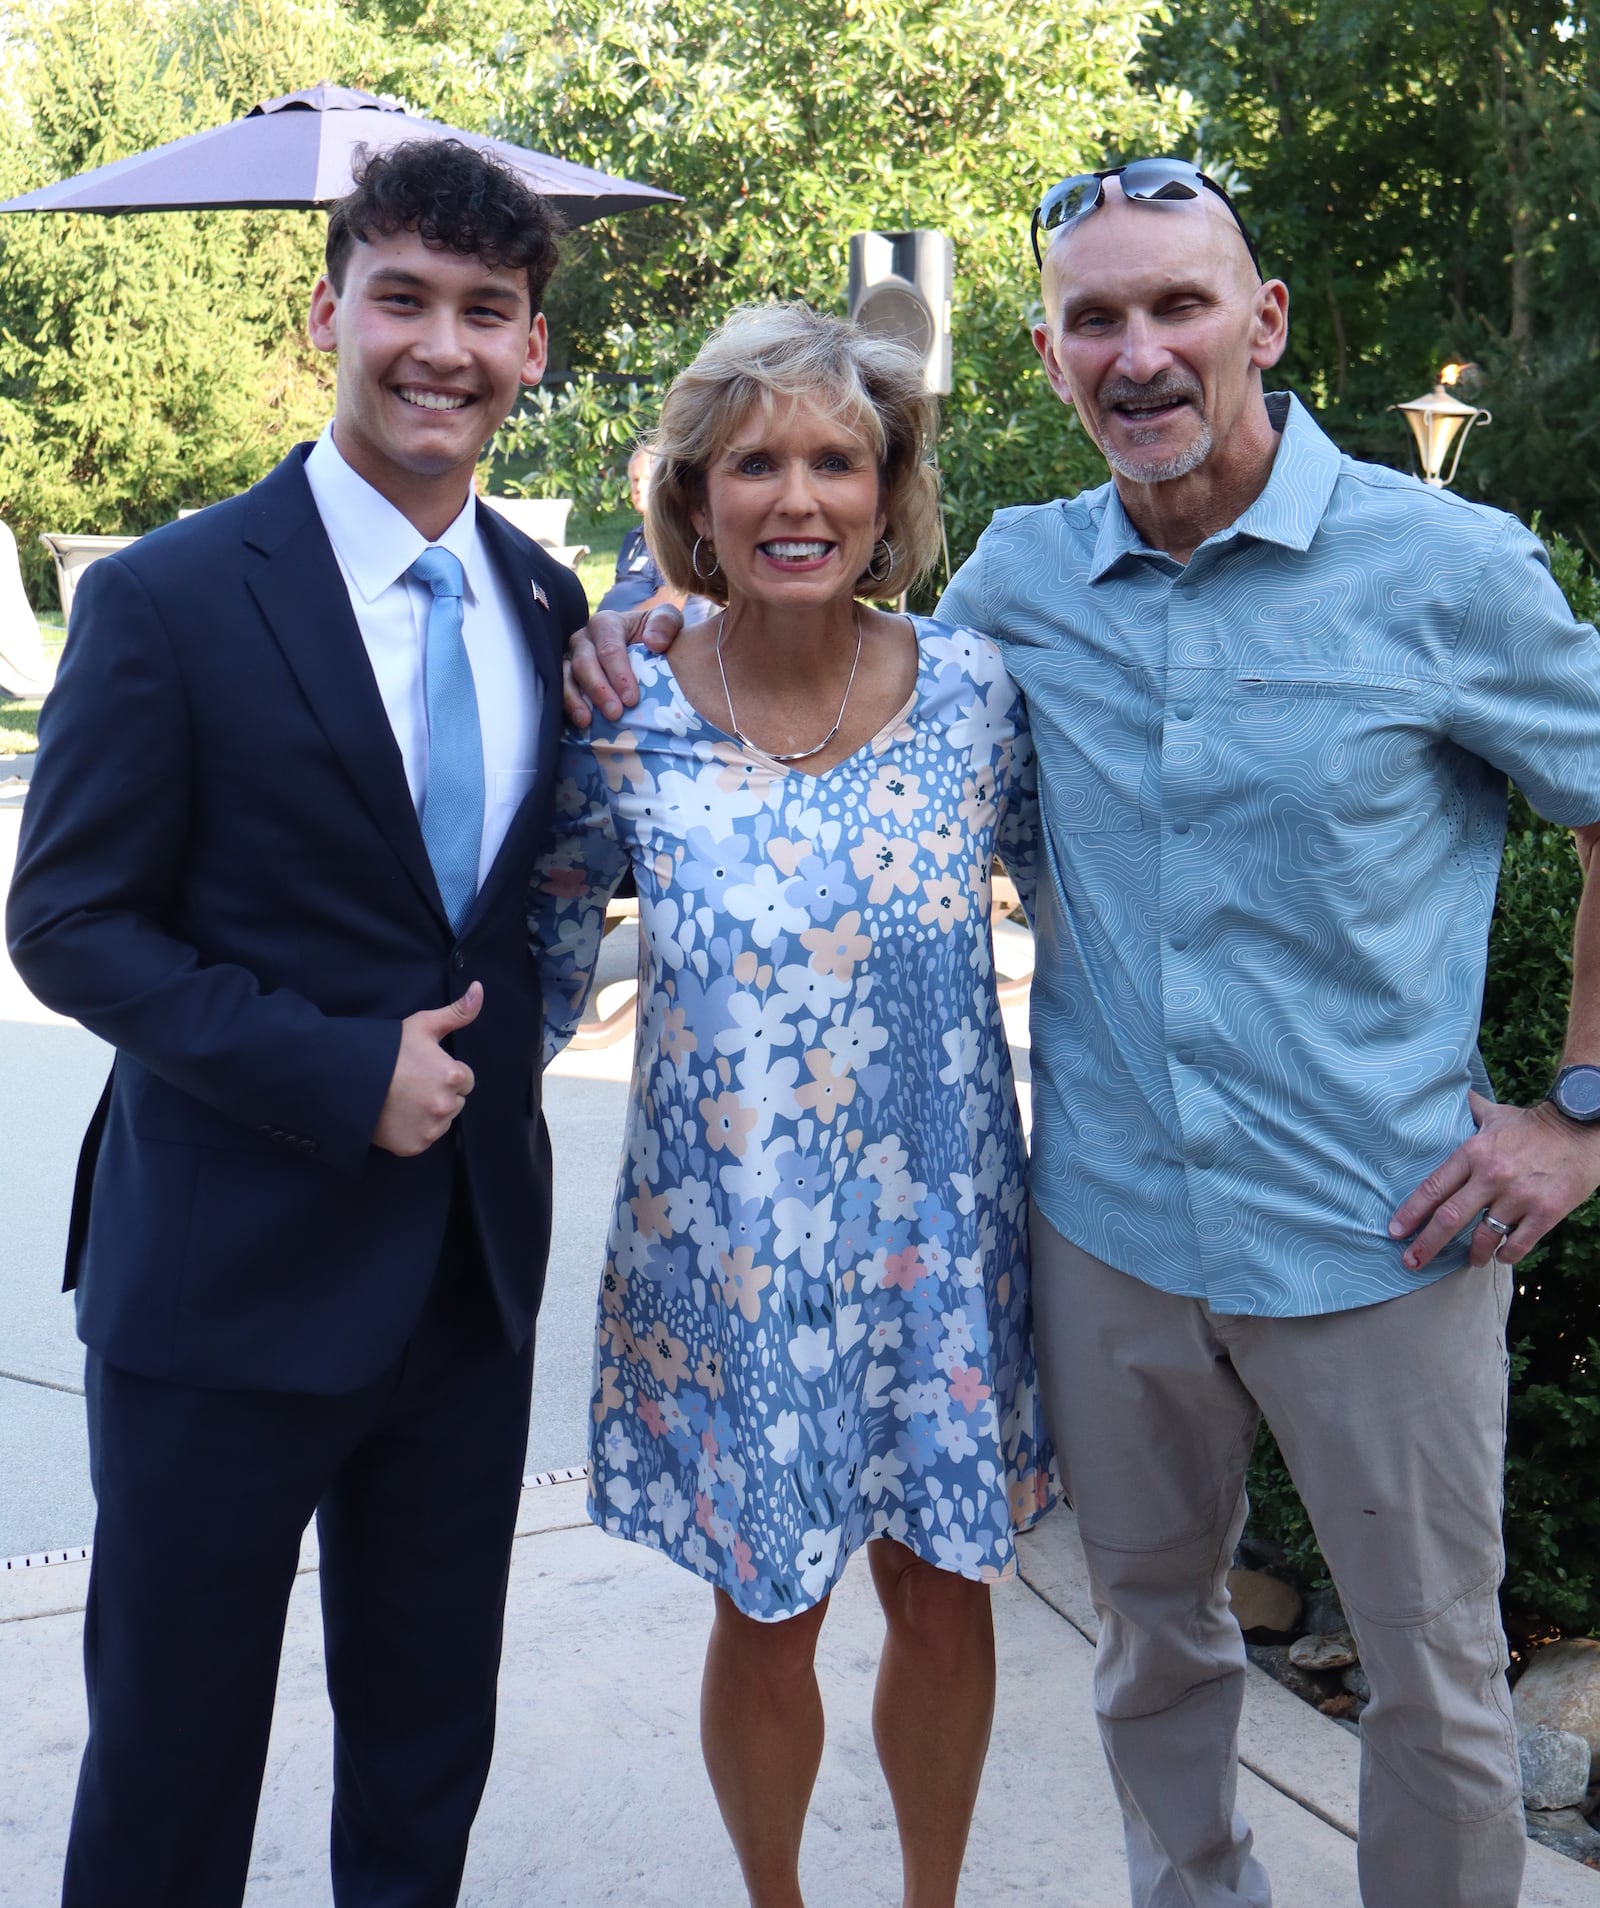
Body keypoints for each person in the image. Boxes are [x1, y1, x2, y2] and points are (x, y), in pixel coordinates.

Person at [568, 160, 1600, 1908]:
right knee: (1154, 1649)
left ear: (1262, 322)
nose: (1138, 350)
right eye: (1096, 319)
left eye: (1177, 305)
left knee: (1435, 1682)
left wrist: (1579, 1113)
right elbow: (817, 679)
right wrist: (656, 622)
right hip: (1108, 1232)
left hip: (1380, 1234)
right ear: (1049, 355)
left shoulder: (1447, 569)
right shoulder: (1017, 596)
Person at [6, 138, 587, 1908]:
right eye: (402, 297)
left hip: (466, 1285)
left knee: (426, 1754)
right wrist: (342, 1067)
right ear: (329, 309)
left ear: (533, 350)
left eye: (487, 311)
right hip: (223, 1283)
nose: (442, 346)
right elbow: (69, 921)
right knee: (173, 1763)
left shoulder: (548, 603)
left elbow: (528, 898)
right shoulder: (169, 597)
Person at [528, 301, 1054, 1908]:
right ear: (696, 499)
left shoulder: (977, 695)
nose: (799, 498)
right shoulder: (622, 718)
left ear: (891, 495)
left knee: (946, 1594)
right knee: (765, 1611)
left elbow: (1107, 920)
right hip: (741, 1269)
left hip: (940, 1255)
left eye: (839, 459)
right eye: (755, 462)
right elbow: (536, 972)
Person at [597, 444, 712, 620]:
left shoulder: (674, 533)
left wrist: (614, 623)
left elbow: (670, 602)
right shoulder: (634, 536)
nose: (639, 487)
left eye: (646, 479)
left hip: (653, 637)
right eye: (635, 480)